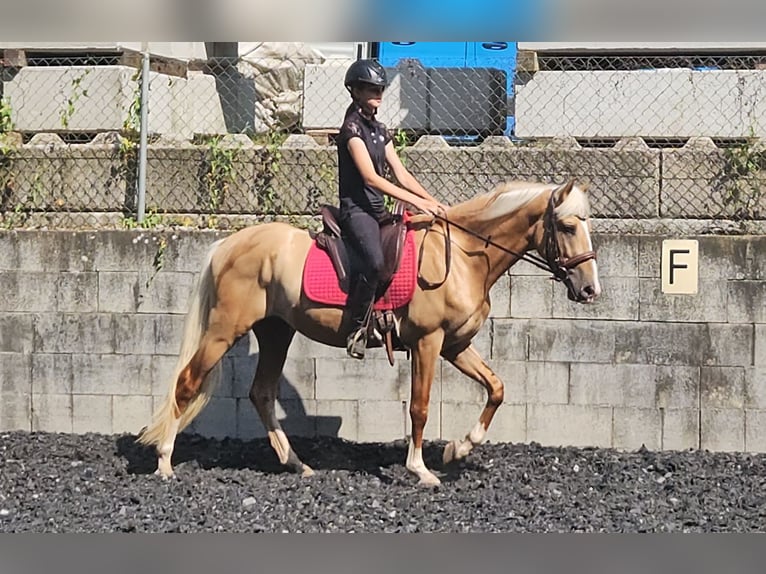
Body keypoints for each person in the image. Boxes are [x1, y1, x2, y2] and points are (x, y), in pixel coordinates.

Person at [337, 58, 449, 360]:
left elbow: (400, 172)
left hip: (377, 211)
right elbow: (370, 177)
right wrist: (414, 201)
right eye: (370, 88)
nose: (377, 92)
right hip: (356, 212)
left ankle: (398, 317)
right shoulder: (351, 129)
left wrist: (431, 201)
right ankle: (358, 327)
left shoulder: (378, 129)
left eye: (380, 87)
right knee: (374, 261)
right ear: (355, 91)